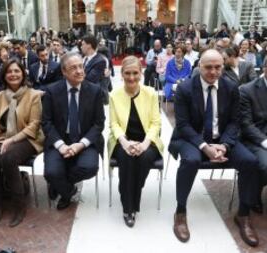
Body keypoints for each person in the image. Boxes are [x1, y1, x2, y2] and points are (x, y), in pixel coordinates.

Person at [168, 49, 260, 247]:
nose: (213, 72)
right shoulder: (185, 89)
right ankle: (181, 212)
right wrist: (205, 147)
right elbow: (183, 125)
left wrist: (225, 145)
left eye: (218, 67)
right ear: (199, 66)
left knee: (250, 162)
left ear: (223, 66)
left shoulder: (231, 87)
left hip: (222, 139)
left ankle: (243, 214)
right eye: (208, 67)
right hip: (192, 139)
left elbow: (235, 122)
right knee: (191, 160)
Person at [0, 59, 44, 227]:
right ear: (4, 75)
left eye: (17, 71)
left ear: (23, 73)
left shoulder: (33, 95)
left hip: (29, 138)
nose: (13, 74)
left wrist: (11, 140)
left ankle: (19, 206)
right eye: (9, 71)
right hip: (4, 137)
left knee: (8, 158)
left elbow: (34, 125)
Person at [42, 52, 105, 210]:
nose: (79, 71)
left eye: (80, 66)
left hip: (85, 141)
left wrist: (81, 145)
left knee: (89, 167)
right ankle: (68, 191)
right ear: (64, 72)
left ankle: (60, 185)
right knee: (50, 172)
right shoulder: (51, 91)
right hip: (59, 140)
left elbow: (99, 124)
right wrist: (61, 145)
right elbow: (46, 122)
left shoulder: (95, 91)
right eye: (73, 68)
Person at [108, 56, 163, 227]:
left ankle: (129, 192)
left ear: (141, 73)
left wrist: (145, 144)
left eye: (135, 73)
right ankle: (128, 208)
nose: (131, 77)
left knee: (145, 158)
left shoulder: (151, 93)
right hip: (121, 140)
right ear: (121, 74)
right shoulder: (114, 95)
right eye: (127, 73)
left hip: (148, 140)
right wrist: (125, 143)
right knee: (126, 158)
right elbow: (114, 124)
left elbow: (156, 123)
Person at [240, 57, 267, 214]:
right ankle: (253, 195)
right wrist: (265, 141)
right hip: (255, 139)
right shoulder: (246, 90)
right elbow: (246, 125)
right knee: (265, 165)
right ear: (264, 68)